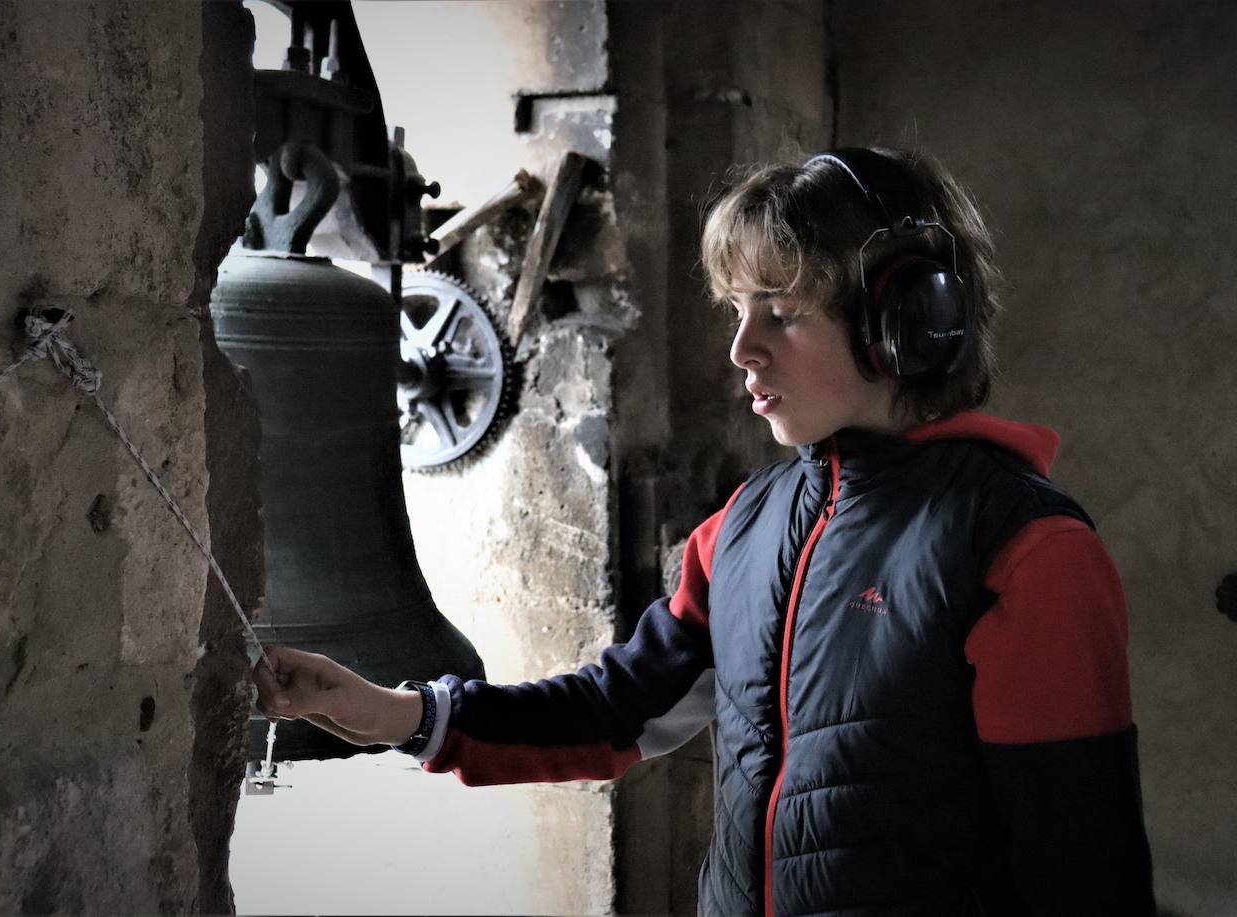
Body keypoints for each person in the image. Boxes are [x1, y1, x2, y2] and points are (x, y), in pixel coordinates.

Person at [253, 147, 1155, 916]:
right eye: (737, 311)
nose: (742, 349)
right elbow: (614, 713)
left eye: (783, 311)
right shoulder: (743, 530)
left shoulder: (1026, 554)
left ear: (908, 324)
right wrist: (386, 712)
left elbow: (1082, 877)